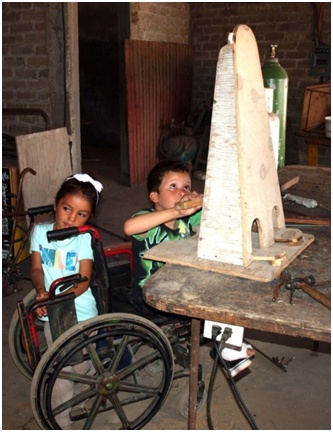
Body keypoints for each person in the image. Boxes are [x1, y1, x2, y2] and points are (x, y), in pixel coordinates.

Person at [30, 173, 103, 429]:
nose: (71, 218)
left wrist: (53, 299)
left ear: (88, 218)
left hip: (82, 313)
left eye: (81, 214)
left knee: (68, 369)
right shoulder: (40, 232)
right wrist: (41, 290)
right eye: (67, 209)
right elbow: (37, 270)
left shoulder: (83, 239)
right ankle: (89, 376)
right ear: (56, 204)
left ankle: (59, 421)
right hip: (55, 316)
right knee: (67, 366)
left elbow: (83, 282)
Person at [123, 159, 203, 318]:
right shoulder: (147, 218)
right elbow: (129, 227)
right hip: (147, 296)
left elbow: (216, 214)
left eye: (186, 187)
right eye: (173, 186)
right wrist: (177, 211)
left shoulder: (187, 218)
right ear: (155, 196)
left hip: (177, 288)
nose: (182, 192)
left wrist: (203, 200)